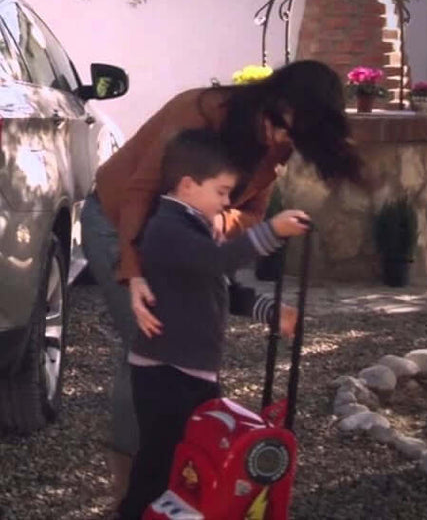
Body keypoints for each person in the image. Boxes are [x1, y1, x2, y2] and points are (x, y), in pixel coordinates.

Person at [79, 59, 363, 506]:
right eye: (283, 127)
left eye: (295, 138)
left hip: (189, 235)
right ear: (273, 99)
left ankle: (178, 485)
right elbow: (139, 192)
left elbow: (249, 215)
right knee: (147, 337)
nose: (283, 142)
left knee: (181, 362)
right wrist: (132, 274)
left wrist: (223, 218)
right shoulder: (197, 112)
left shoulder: (278, 144)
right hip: (120, 221)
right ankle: (134, 490)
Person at [115, 129, 310, 519]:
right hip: (166, 371)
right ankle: (134, 513)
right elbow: (216, 263)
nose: (226, 204)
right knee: (163, 458)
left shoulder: (195, 227)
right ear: (188, 186)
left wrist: (271, 312)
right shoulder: (168, 229)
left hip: (192, 368)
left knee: (195, 454)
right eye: (221, 192)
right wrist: (272, 231)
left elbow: (224, 288)